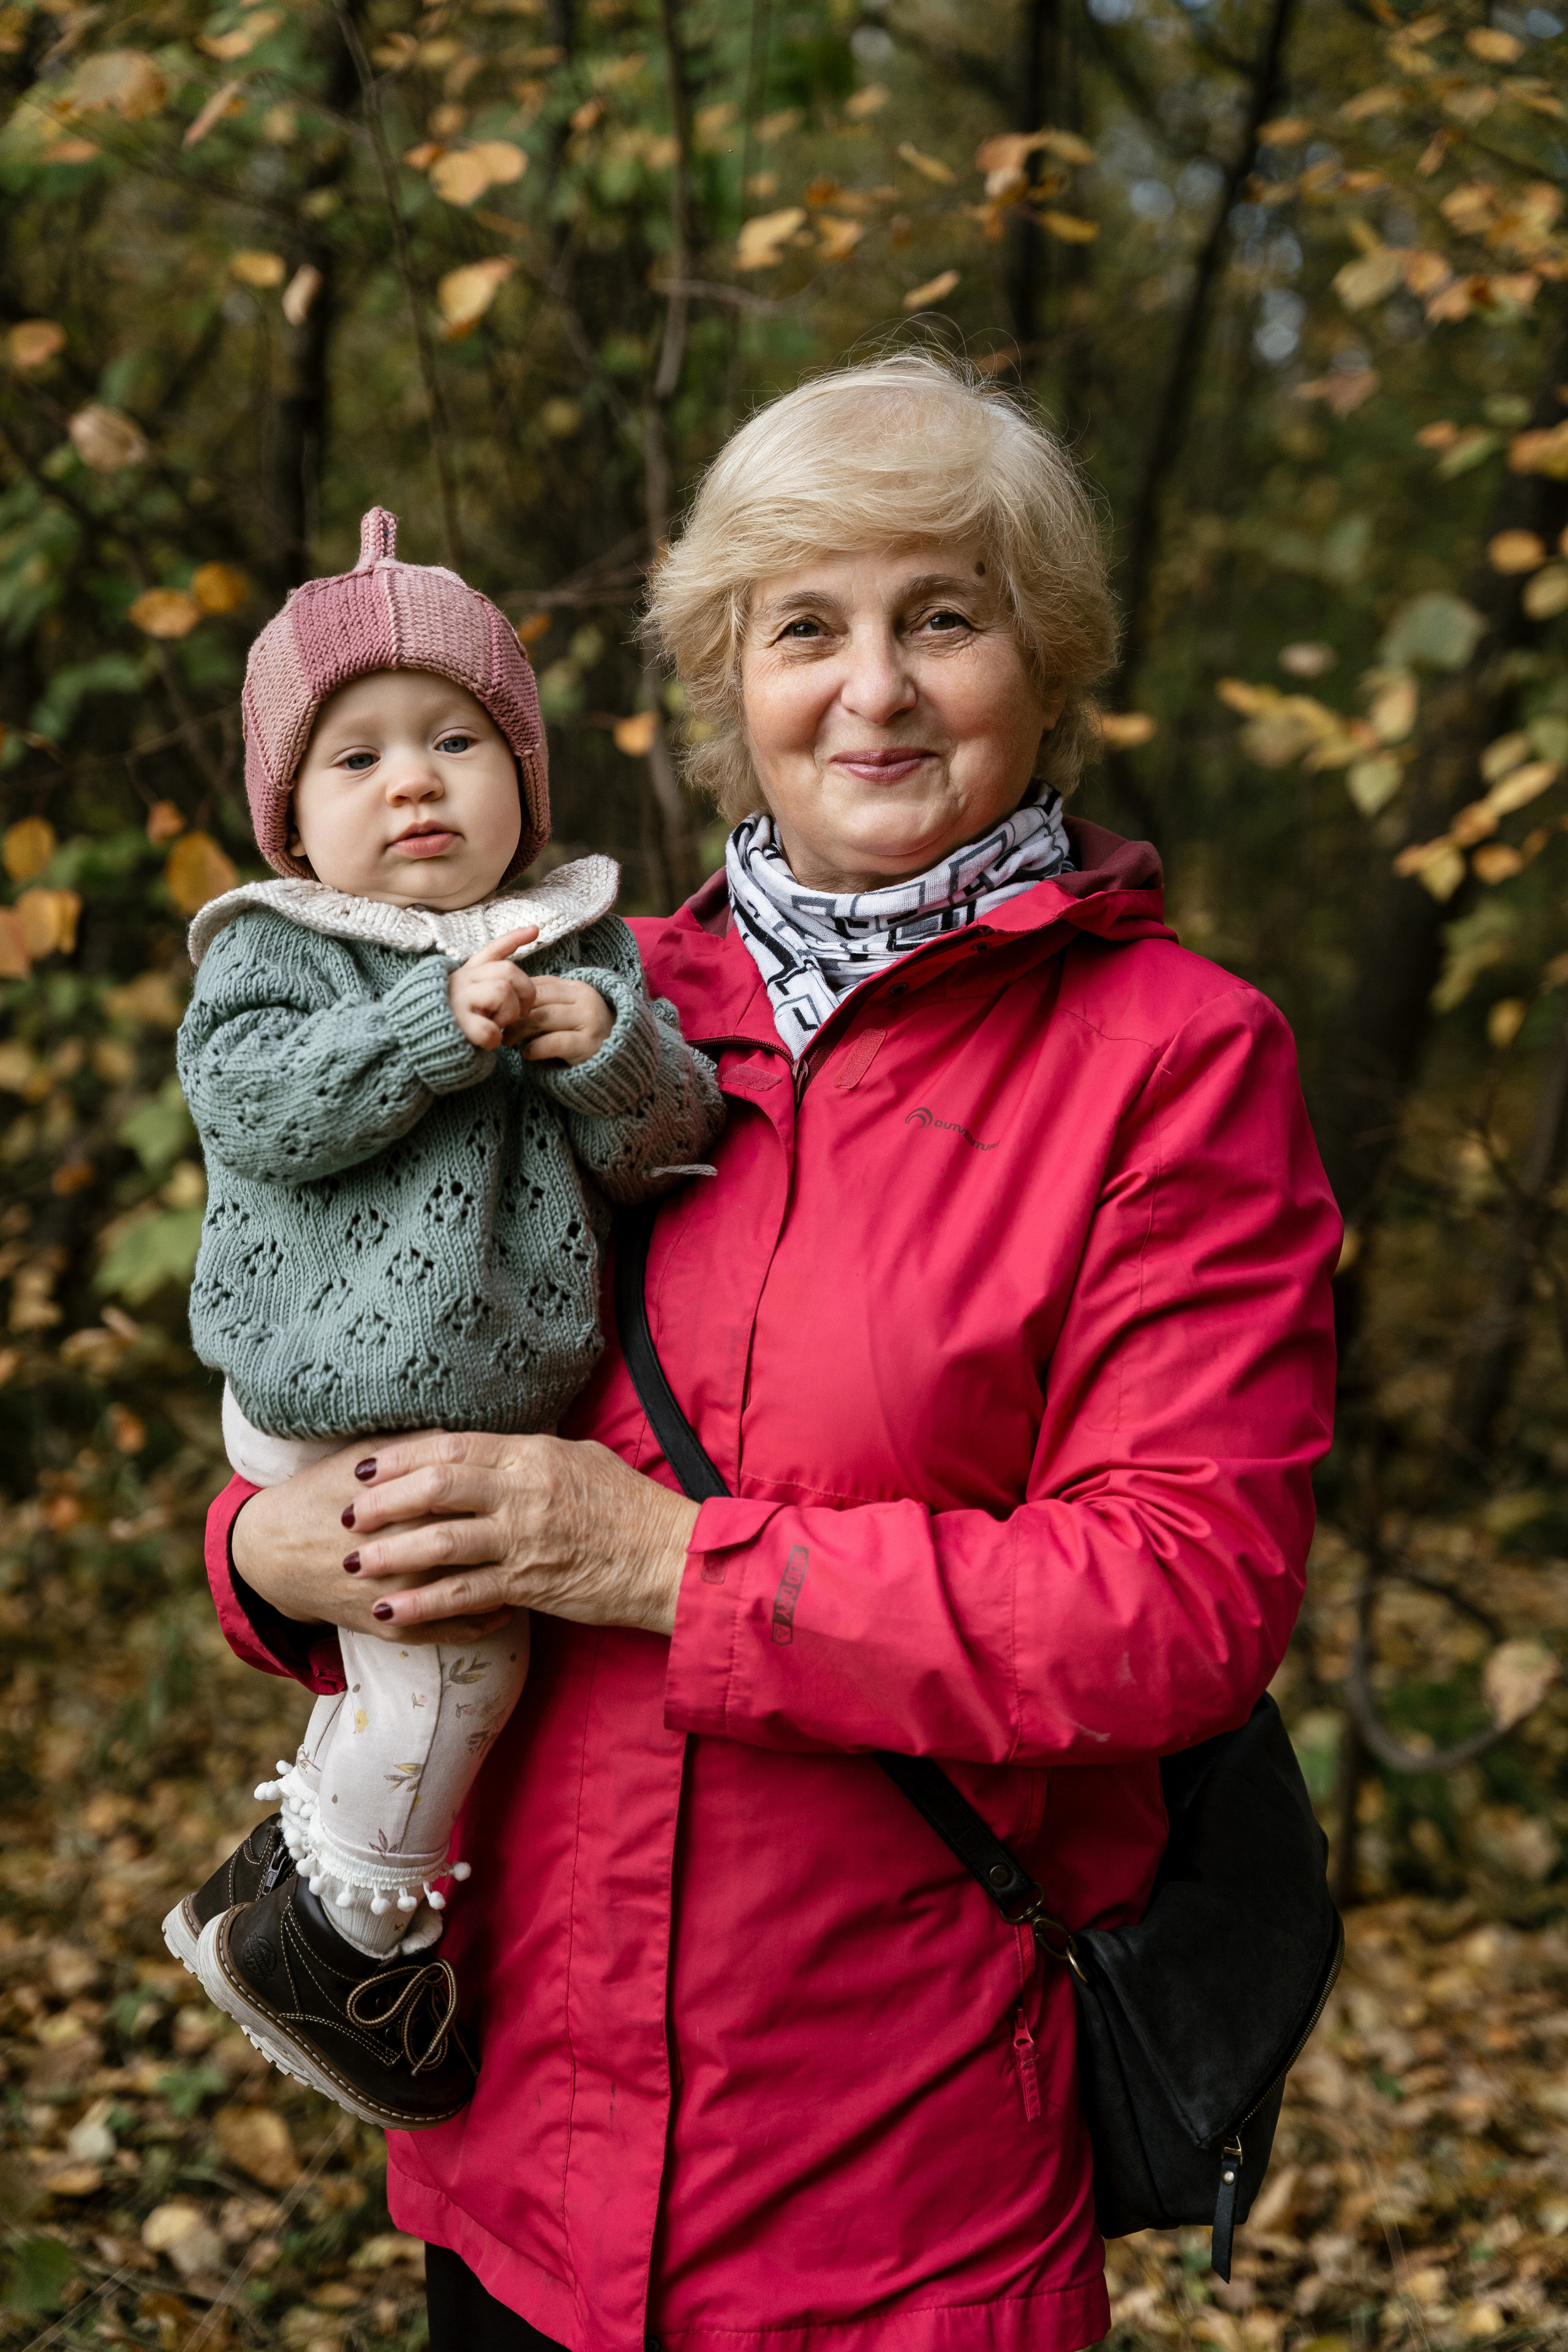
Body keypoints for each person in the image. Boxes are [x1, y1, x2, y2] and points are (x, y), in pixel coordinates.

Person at [201, 355, 1340, 2352]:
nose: (875, 690)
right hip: (520, 2188)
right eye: (807, 626)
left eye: (945, 619)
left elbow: (1180, 1605)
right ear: (727, 674)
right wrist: (257, 1560)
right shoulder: (572, 993)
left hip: (897, 2210)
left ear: (1045, 660)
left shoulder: (1174, 1063)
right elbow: (349, 1337)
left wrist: (661, 1566)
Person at [167, 508, 722, 2131]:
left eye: (457, 742)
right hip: (328, 1380)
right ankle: (336, 1938)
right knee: (454, 1673)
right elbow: (261, 1110)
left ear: (524, 784)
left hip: (476, 1395)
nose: (414, 783)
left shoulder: (582, 946)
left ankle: (305, 1874)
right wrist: (425, 1024)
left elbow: (667, 1140)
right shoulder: (278, 951)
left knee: (439, 1677)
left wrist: (585, 1038)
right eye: (357, 759)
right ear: (291, 815)